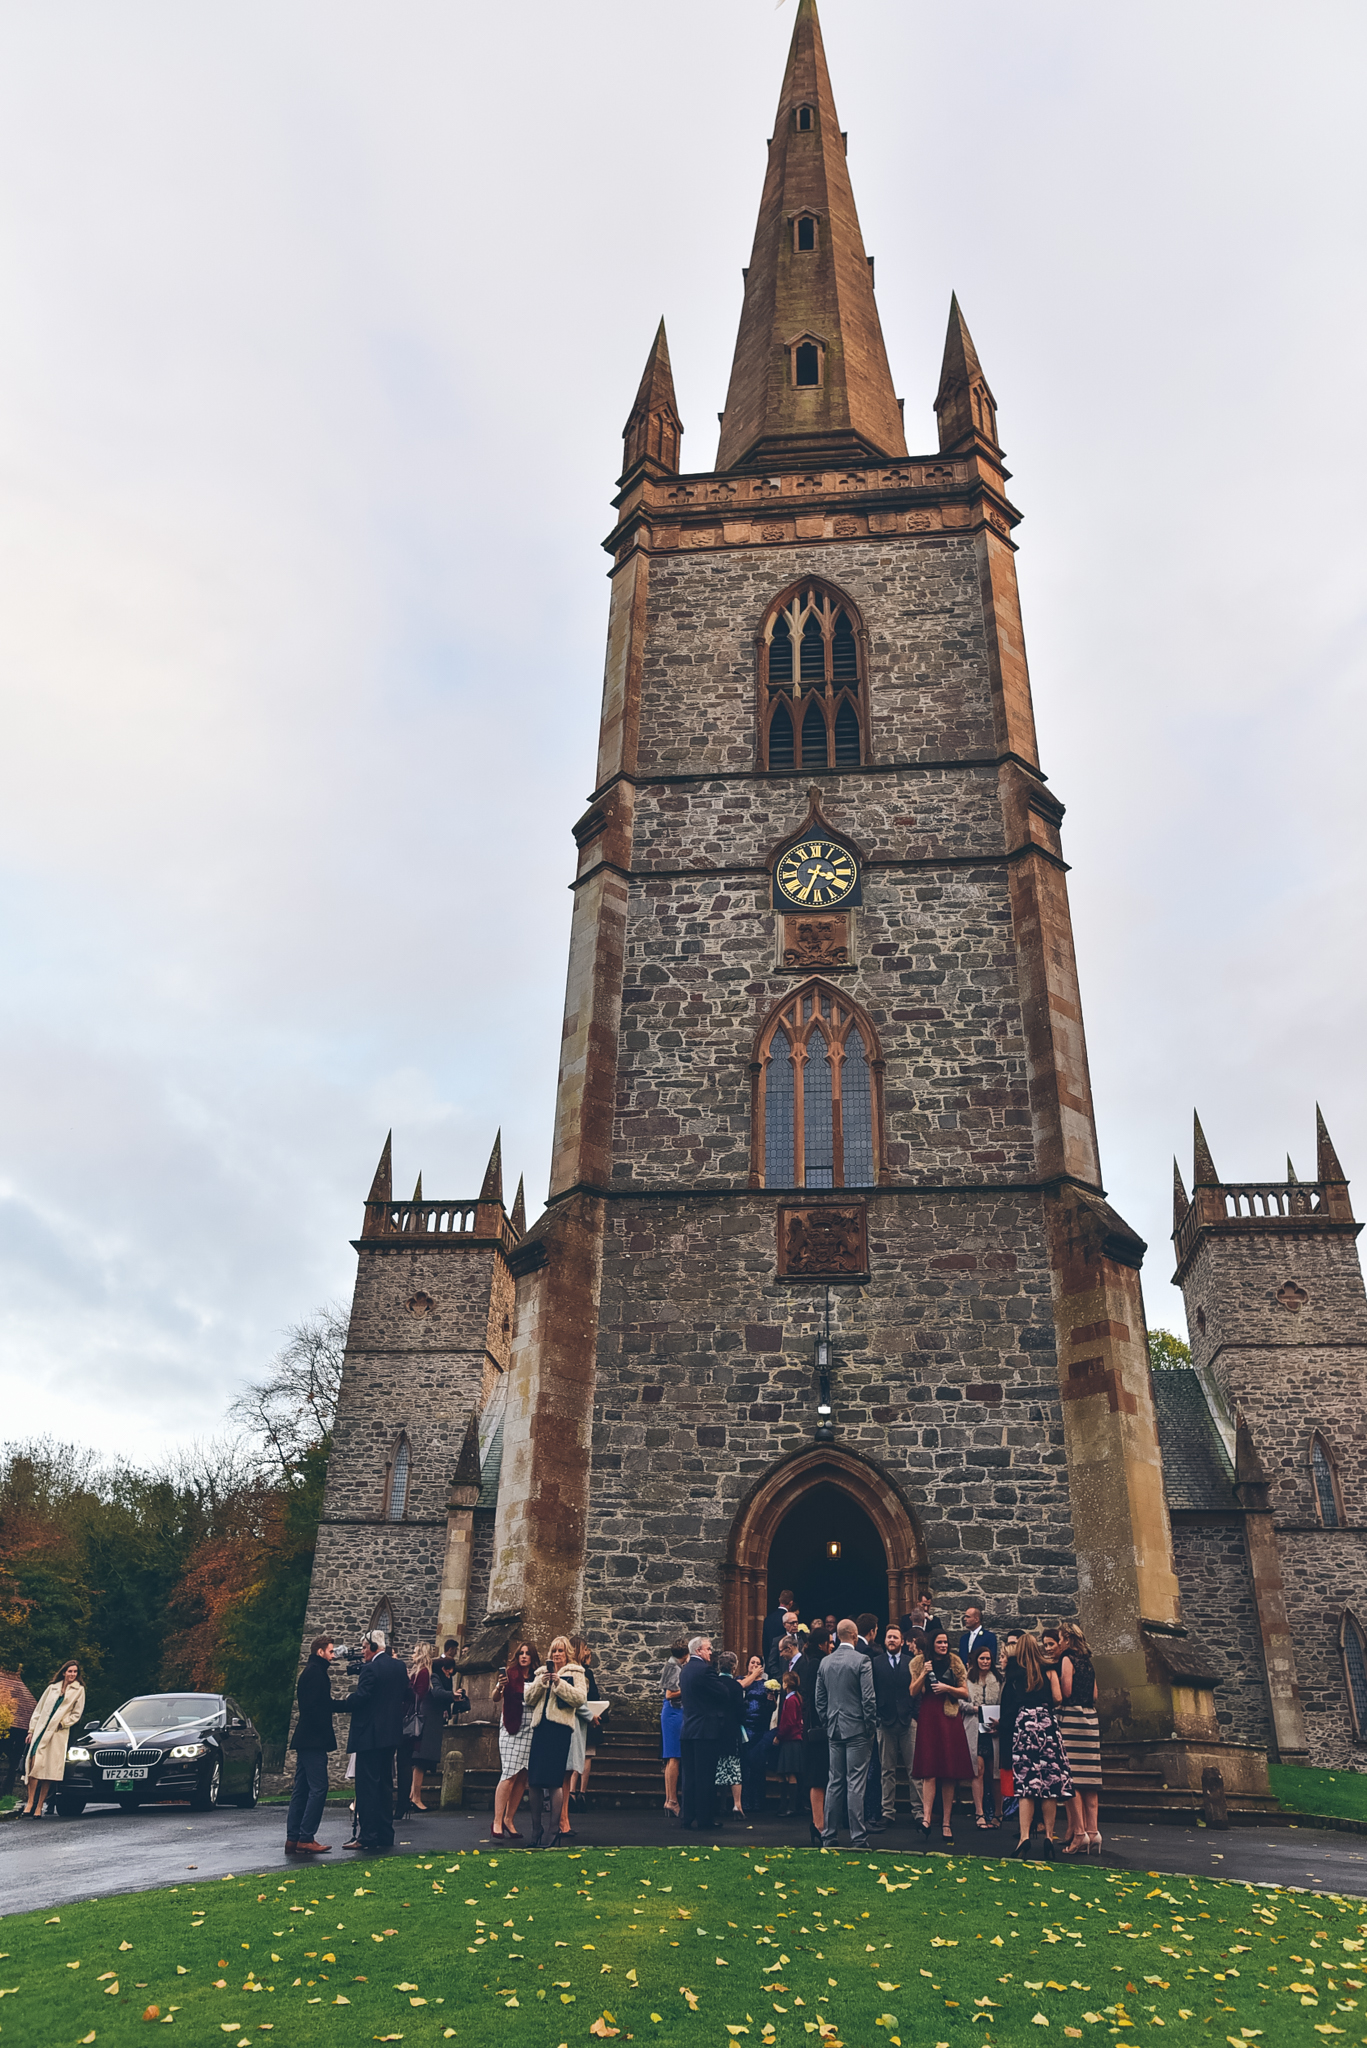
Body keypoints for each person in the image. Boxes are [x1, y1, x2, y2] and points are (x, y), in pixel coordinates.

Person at [337, 1629, 411, 1851]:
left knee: (367, 1787)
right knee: (385, 1785)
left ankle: (367, 1835)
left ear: (372, 1647)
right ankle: (385, 1833)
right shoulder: (399, 1667)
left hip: (370, 1736)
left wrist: (343, 1702)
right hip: (391, 1735)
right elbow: (408, 1695)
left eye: (363, 1647)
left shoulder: (370, 1669)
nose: (362, 1652)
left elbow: (362, 1698)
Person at [1007, 1631, 1073, 1860]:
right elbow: (1057, 1698)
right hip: (1046, 1725)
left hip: (1024, 1725)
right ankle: (1049, 1837)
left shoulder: (1014, 1674)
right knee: (1049, 1783)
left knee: (1025, 1784)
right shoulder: (1049, 1669)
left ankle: (1024, 1837)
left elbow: (1011, 1702)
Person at [815, 1619, 877, 1849]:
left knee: (835, 1782)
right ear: (854, 1635)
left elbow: (819, 1700)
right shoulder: (862, 1660)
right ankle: (858, 1838)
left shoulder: (825, 1662)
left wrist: (828, 1720)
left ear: (836, 1636)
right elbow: (868, 1698)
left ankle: (829, 1836)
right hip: (858, 1728)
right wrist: (870, 1726)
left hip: (835, 1727)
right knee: (855, 1784)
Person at [524, 1636, 587, 1848]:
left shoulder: (576, 1672)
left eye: (560, 1650)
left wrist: (559, 1684)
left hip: (559, 1729)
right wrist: (542, 1684)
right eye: (553, 1651)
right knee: (534, 1781)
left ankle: (553, 1829)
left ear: (567, 1653)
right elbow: (529, 1699)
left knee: (554, 1781)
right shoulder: (540, 1673)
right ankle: (535, 1827)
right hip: (541, 1727)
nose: (557, 1654)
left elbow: (579, 1699)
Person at [910, 1630, 973, 1842]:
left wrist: (948, 1688)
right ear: (932, 1644)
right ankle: (926, 1818)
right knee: (930, 1770)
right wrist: (923, 1674)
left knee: (949, 1771)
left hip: (949, 1715)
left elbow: (965, 1692)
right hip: (929, 1714)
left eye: (946, 1642)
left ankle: (946, 1821)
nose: (943, 1645)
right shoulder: (920, 1662)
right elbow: (912, 1691)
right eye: (940, 1642)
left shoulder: (955, 1662)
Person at [285, 1636, 337, 1854]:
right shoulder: (316, 1673)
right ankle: (306, 1836)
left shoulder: (310, 1671)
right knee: (318, 1787)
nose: (333, 1656)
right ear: (320, 1652)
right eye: (330, 1651)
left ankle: (294, 1837)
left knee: (302, 1788)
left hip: (306, 1738)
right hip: (314, 1740)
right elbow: (318, 1706)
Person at [1056, 1622, 1102, 1854]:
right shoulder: (1088, 1662)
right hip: (1090, 1721)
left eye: (1061, 1637)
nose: (1060, 1641)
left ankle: (1079, 1834)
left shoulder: (1067, 1659)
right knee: (1090, 1780)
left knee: (1072, 1778)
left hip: (1072, 1720)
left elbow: (1065, 1691)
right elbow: (1094, 1694)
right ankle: (1094, 1832)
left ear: (1067, 1639)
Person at [678, 1636, 732, 1832]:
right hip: (705, 1730)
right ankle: (704, 1818)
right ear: (699, 1650)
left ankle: (687, 1816)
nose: (711, 1652)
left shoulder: (685, 1671)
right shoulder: (704, 1670)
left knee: (689, 1776)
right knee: (705, 1776)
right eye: (709, 1649)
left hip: (688, 1729)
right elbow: (723, 1692)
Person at [21, 1660, 85, 1818]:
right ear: (64, 1672)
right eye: (70, 1671)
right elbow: (38, 1710)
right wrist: (31, 1731)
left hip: (57, 1734)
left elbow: (77, 1713)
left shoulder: (79, 1690)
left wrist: (63, 1724)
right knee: (34, 1764)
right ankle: (30, 1802)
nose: (72, 1674)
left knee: (48, 1769)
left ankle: (40, 1806)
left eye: (75, 1672)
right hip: (41, 1731)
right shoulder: (52, 1688)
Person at [559, 1636, 604, 1842]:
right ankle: (561, 1820)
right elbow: (578, 1699)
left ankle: (563, 1820)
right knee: (567, 1773)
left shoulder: (577, 1671)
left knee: (568, 1774)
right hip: (568, 1724)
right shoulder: (575, 1672)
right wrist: (591, 1716)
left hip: (576, 1724)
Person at [871, 1621, 916, 1827]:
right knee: (886, 1770)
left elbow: (917, 1690)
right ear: (884, 1639)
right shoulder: (876, 1662)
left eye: (895, 1637)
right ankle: (888, 1811)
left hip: (908, 1721)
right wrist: (877, 1716)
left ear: (902, 1641)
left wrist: (915, 1714)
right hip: (885, 1721)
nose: (891, 1640)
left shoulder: (911, 1662)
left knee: (914, 1770)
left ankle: (919, 1812)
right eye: (889, 1637)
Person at [492, 1639, 538, 1841]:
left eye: (527, 1653)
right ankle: (497, 1821)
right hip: (512, 1726)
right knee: (509, 1772)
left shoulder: (538, 1676)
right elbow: (494, 1697)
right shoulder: (509, 1674)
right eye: (521, 1653)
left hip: (531, 1727)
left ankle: (509, 1820)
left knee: (522, 1776)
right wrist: (500, 1688)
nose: (524, 1656)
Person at [797, 1626, 831, 1846]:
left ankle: (820, 1823)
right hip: (818, 1728)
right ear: (821, 1644)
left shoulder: (810, 1663)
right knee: (819, 1775)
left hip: (812, 1726)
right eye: (829, 1642)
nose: (832, 1645)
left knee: (819, 1775)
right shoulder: (819, 1664)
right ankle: (819, 1824)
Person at [965, 1643, 1002, 1829]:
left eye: (988, 1658)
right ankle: (979, 1813)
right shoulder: (967, 1679)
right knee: (977, 1770)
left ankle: (998, 1813)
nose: (985, 1661)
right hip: (974, 1727)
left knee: (994, 1773)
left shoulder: (998, 1679)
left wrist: (1000, 1721)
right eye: (982, 1658)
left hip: (994, 1729)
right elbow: (960, 1702)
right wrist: (973, 1708)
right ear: (976, 1660)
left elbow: (1005, 1702)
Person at [714, 1650, 746, 1821]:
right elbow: (741, 1711)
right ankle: (737, 1804)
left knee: (718, 1767)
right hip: (732, 1730)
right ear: (733, 1667)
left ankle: (720, 1804)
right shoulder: (736, 1686)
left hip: (716, 1730)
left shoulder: (714, 1683)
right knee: (733, 1767)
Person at [740, 1654, 774, 1815]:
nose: (754, 1665)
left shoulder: (766, 1684)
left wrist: (771, 1699)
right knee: (745, 1765)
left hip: (760, 1726)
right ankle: (745, 1801)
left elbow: (772, 1707)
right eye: (752, 1662)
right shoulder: (742, 1680)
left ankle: (758, 1802)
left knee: (758, 1765)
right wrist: (752, 1676)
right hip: (745, 1727)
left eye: (758, 1663)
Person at [997, 1629, 1025, 1822]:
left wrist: (1002, 1723)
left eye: (1003, 1656)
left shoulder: (1014, 1681)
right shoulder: (1011, 1680)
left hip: (1013, 1734)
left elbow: (1013, 1707)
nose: (1000, 1660)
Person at [660, 1639, 687, 1818]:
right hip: (673, 1713)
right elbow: (670, 1693)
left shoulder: (673, 1664)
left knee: (673, 1757)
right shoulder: (674, 1667)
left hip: (674, 1714)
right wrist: (689, 1689)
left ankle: (670, 1799)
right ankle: (672, 1800)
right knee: (674, 1757)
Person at [775, 1670, 804, 1815]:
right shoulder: (794, 1698)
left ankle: (790, 1806)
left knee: (790, 1773)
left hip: (790, 1739)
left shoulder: (791, 1700)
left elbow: (789, 1722)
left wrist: (779, 1736)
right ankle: (784, 1805)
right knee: (784, 1772)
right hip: (791, 1739)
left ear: (786, 1683)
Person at [959, 1604, 998, 1669]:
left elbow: (992, 1657)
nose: (965, 1619)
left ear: (976, 1619)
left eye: (968, 1617)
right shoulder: (964, 1638)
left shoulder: (989, 1637)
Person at [763, 1589, 796, 1661]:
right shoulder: (788, 1618)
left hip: (770, 1660)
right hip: (784, 1660)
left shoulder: (768, 1619)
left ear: (779, 1600)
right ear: (791, 1603)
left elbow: (765, 1644)